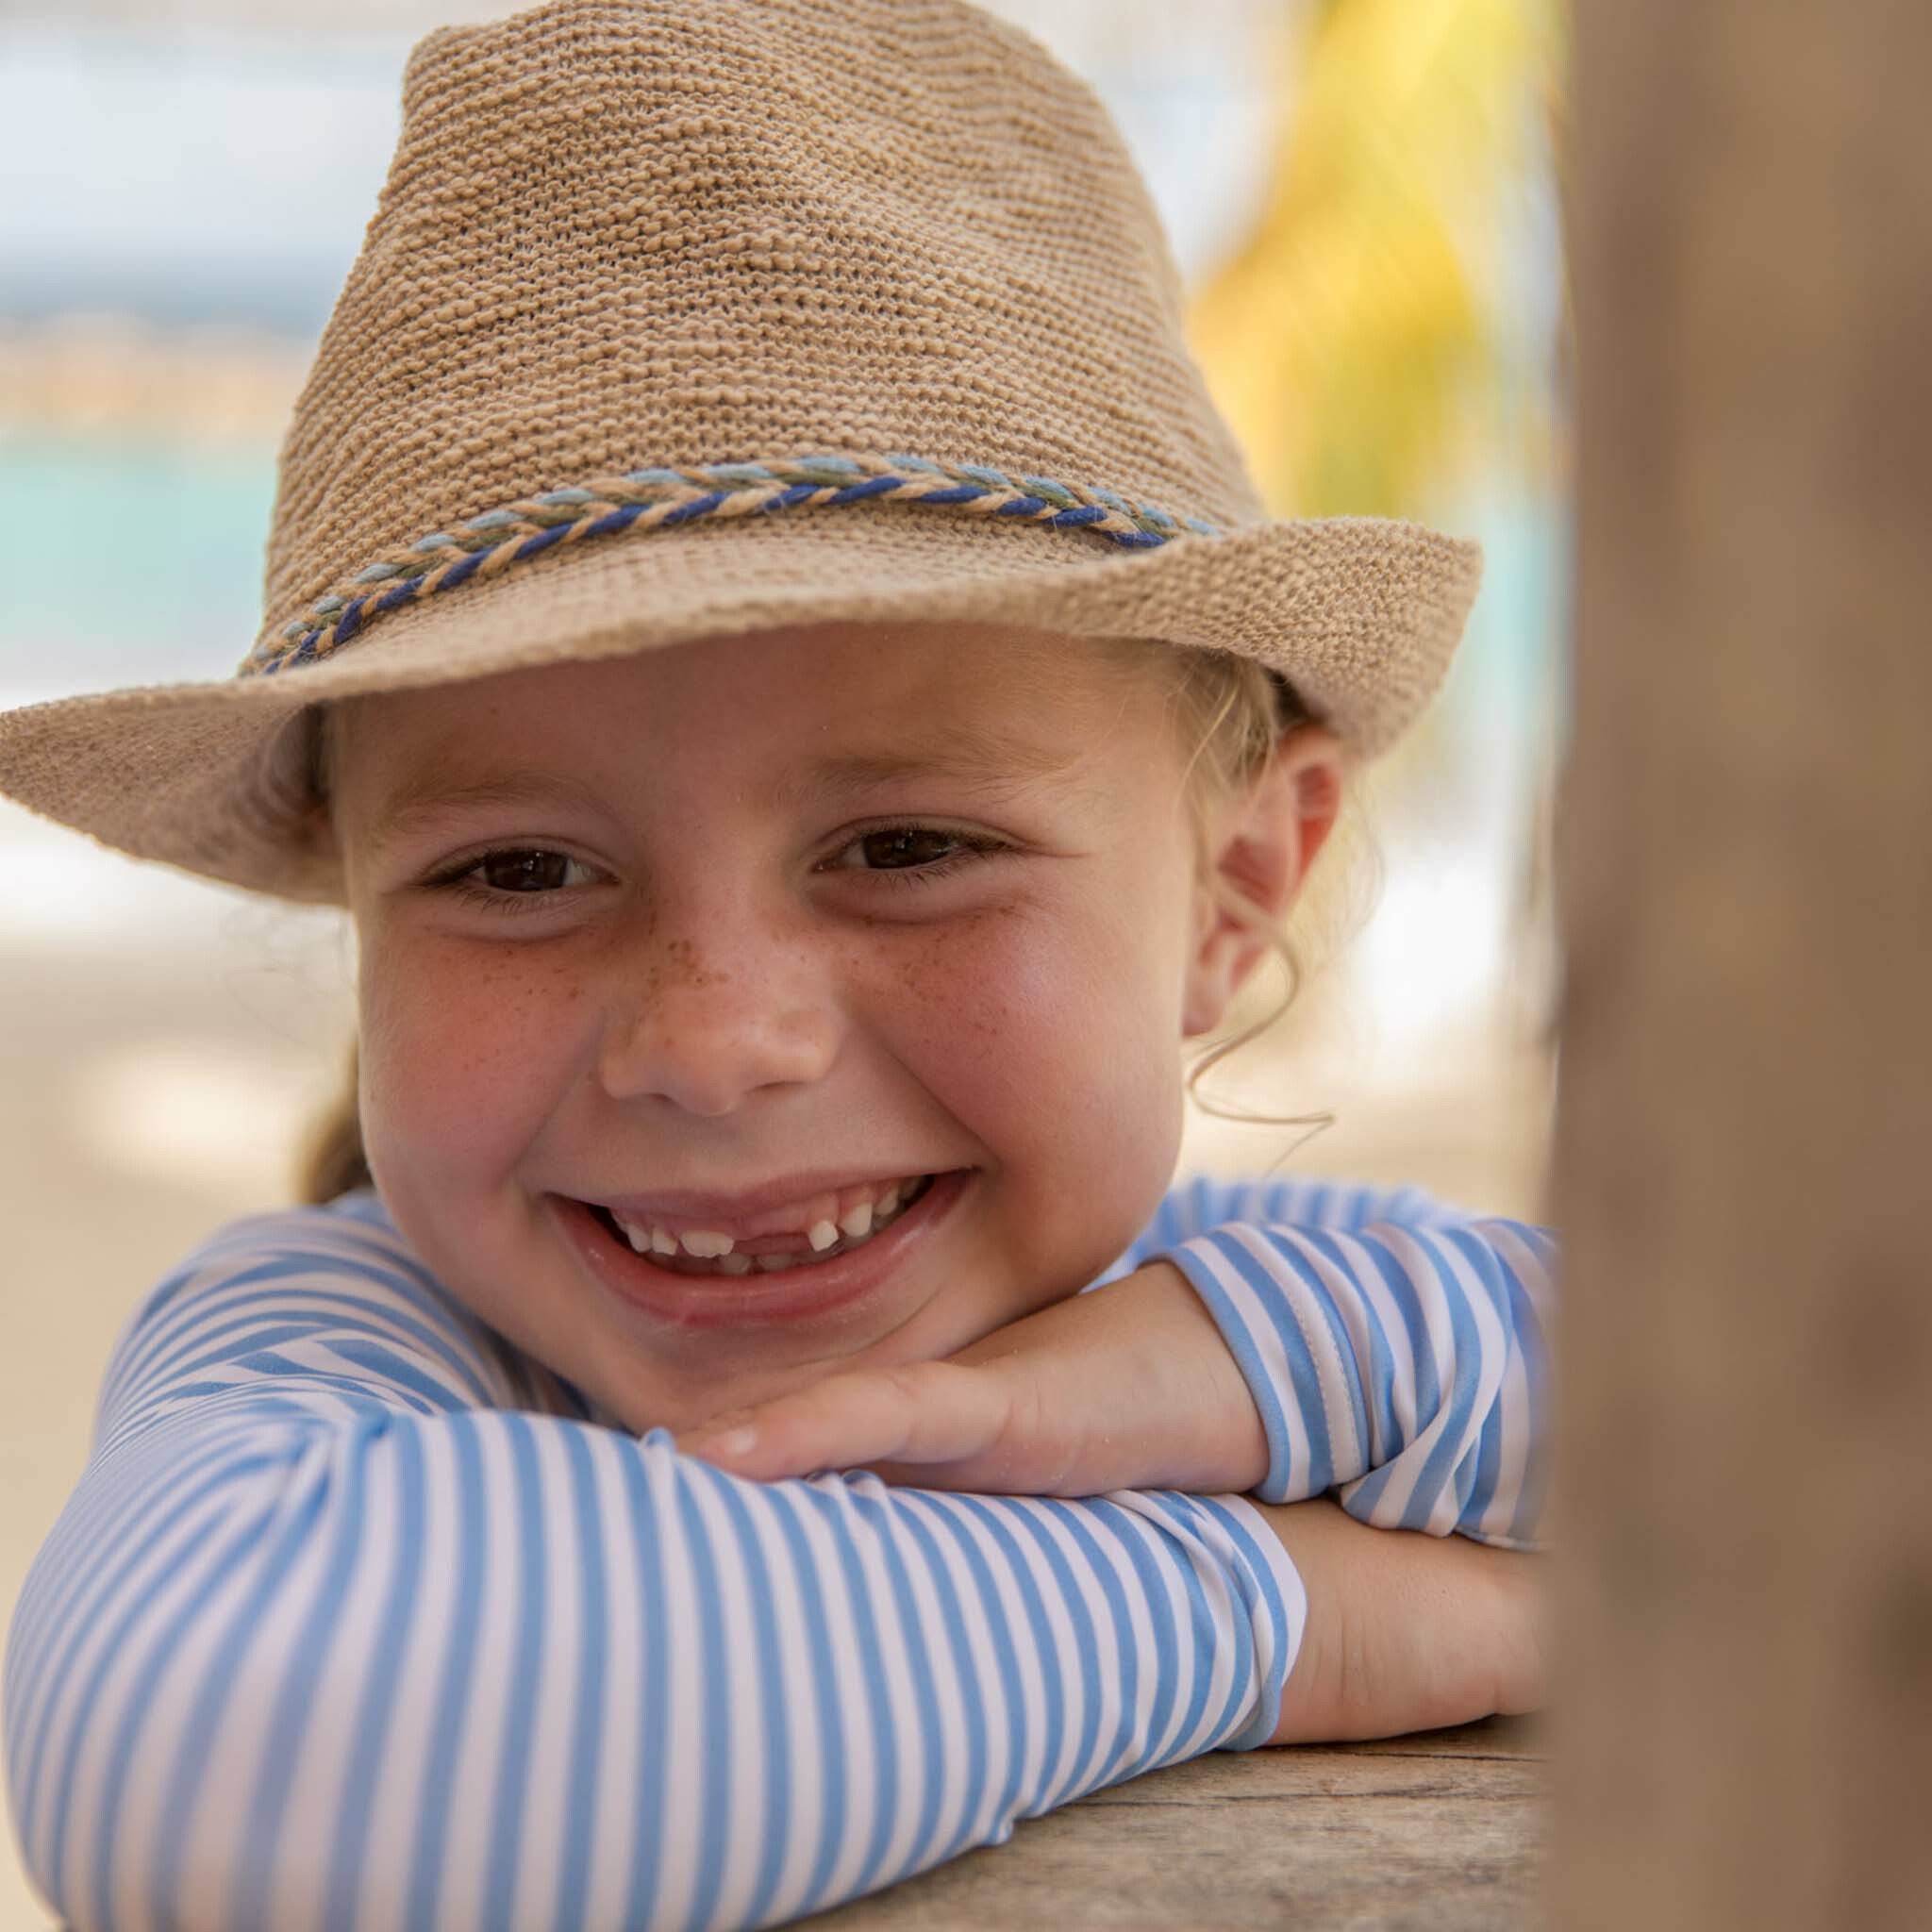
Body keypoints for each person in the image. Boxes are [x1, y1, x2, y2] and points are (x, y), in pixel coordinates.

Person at [0, 1, 1553, 1926]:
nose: (715, 1043)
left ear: (1235, 889)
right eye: (519, 868)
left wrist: (1184, 1393)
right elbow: (205, 1745)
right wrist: (1303, 1612)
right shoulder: (339, 1346)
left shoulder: (1279, 1311)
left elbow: (1757, 1427)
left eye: (908, 849)